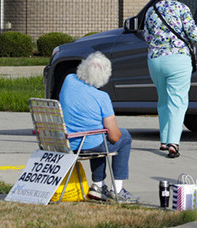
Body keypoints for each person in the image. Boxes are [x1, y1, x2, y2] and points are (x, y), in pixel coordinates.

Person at [59, 51, 139, 203]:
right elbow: (114, 136)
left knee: (98, 136)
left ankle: (98, 186)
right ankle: (117, 189)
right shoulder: (102, 98)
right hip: (86, 144)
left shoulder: (68, 80)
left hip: (66, 142)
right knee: (124, 136)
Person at [144, 0, 197, 158]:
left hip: (155, 59)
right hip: (178, 58)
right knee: (177, 101)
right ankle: (173, 143)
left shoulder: (151, 10)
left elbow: (147, 36)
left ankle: (163, 139)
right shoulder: (181, 8)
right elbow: (191, 31)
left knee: (163, 100)